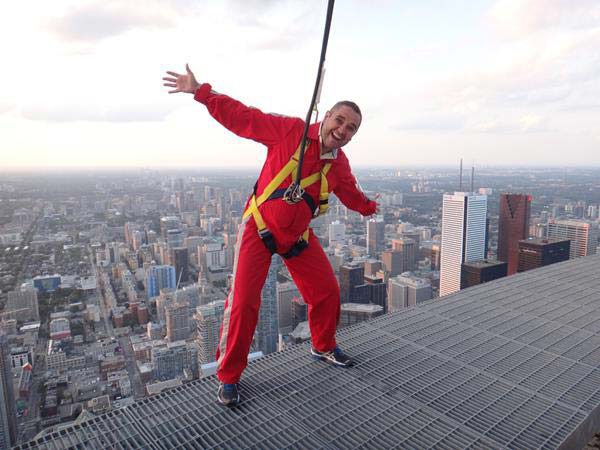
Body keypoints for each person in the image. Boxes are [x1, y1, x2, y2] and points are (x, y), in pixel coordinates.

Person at [163, 65, 379, 406]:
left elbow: (350, 192)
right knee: (244, 303)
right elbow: (244, 118)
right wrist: (201, 91)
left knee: (326, 291)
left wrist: (367, 207)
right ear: (325, 117)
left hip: (296, 236)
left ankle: (322, 346)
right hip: (259, 228)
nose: (343, 129)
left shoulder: (338, 164)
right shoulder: (289, 131)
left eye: (350, 128)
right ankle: (229, 377)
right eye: (339, 120)